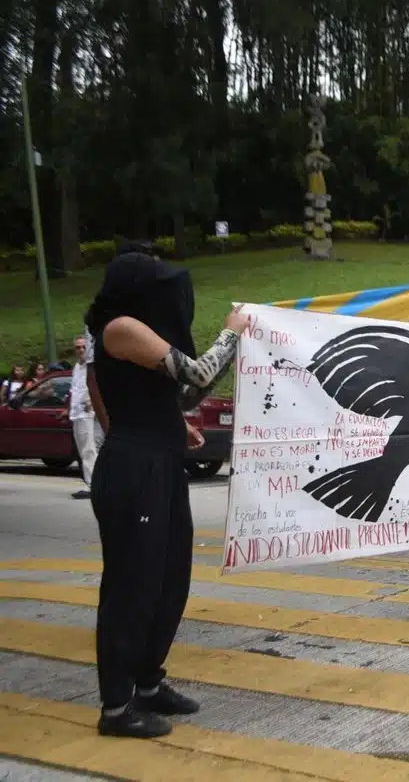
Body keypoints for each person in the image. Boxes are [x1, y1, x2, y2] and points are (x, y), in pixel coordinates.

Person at [85, 246, 247, 738]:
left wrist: (178, 423)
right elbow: (198, 372)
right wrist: (231, 333)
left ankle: (148, 683)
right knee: (132, 586)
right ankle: (117, 706)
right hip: (134, 466)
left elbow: (188, 392)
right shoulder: (120, 327)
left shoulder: (141, 331)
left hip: (163, 459)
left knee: (169, 579)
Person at [69, 332, 103, 500]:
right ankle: (92, 482)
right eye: (78, 347)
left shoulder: (93, 367)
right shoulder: (77, 368)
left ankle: (92, 485)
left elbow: (100, 386)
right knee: (84, 451)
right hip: (77, 413)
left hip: (88, 413)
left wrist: (92, 401)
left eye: (83, 347)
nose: (81, 350)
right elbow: (75, 390)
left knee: (89, 449)